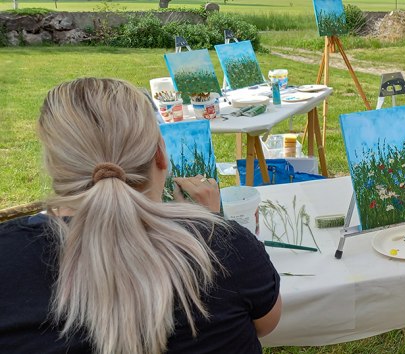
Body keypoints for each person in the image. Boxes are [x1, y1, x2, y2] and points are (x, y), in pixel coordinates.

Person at [0, 78, 282, 354]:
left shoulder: (9, 257)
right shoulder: (228, 248)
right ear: (161, 154)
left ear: (54, 168)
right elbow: (267, 324)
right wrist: (208, 229)